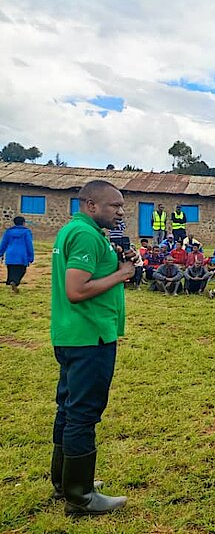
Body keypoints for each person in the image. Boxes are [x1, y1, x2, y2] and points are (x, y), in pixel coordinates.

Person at [50, 180, 134, 515]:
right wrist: (122, 274)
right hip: (90, 337)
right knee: (83, 414)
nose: (121, 212)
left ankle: (66, 481)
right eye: (115, 206)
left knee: (68, 409)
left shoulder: (77, 231)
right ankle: (81, 497)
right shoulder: (86, 234)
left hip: (72, 334)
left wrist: (119, 263)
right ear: (91, 205)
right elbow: (76, 290)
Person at [0, 216, 34, 293]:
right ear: (23, 223)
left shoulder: (9, 232)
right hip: (22, 255)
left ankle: (12, 281)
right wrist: (31, 257)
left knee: (11, 270)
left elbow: (3, 243)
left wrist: (1, 253)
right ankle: (15, 282)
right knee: (21, 271)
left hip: (10, 255)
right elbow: (29, 244)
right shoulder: (26, 232)